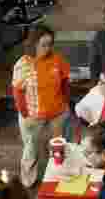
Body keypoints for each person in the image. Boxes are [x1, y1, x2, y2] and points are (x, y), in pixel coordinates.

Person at [12, 25, 71, 188]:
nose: (48, 48)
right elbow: (17, 91)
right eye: (44, 44)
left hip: (57, 113)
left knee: (59, 146)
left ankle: (59, 176)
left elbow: (65, 80)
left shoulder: (57, 59)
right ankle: (28, 181)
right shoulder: (23, 64)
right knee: (31, 150)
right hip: (33, 116)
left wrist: (65, 102)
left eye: (50, 44)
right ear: (34, 44)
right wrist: (25, 114)